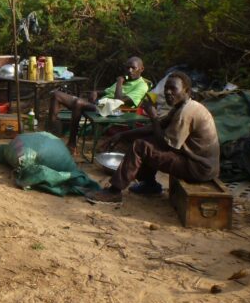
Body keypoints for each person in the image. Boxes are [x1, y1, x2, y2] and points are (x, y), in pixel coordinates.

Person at [87, 71, 220, 204]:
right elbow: (156, 127)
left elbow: (165, 145)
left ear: (187, 91)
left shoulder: (186, 113)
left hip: (198, 168)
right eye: (166, 88)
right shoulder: (181, 106)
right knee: (148, 141)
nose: (168, 92)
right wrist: (122, 135)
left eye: (173, 88)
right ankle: (150, 185)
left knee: (141, 145)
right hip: (200, 164)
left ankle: (114, 192)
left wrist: (153, 116)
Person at [47, 56, 148, 154]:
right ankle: (50, 134)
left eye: (133, 68)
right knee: (56, 95)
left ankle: (72, 144)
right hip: (99, 105)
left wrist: (119, 82)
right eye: (127, 67)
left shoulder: (141, 85)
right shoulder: (126, 80)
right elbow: (107, 92)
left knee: (78, 103)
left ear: (141, 69)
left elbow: (118, 100)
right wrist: (96, 92)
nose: (129, 70)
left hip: (114, 111)